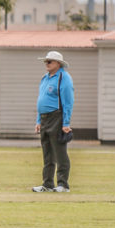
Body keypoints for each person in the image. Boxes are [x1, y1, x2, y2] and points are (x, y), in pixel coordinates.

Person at [32, 49, 74, 193]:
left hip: (57, 117)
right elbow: (41, 100)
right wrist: (38, 120)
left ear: (58, 63)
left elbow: (68, 102)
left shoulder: (64, 78)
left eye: (49, 61)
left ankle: (63, 184)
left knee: (60, 151)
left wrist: (66, 123)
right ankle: (47, 184)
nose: (47, 63)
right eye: (46, 61)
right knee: (47, 152)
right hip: (44, 118)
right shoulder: (45, 78)